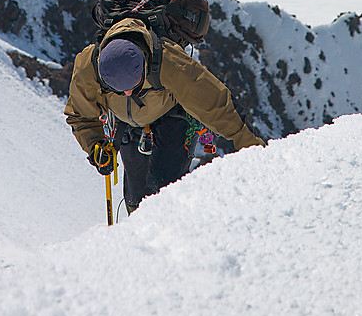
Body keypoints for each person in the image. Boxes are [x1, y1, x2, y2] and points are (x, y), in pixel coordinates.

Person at [64, 14, 266, 213]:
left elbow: (214, 105)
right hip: (127, 121)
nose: (127, 93)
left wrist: (250, 146)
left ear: (144, 64)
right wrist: (95, 146)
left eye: (133, 86)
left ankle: (174, 234)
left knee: (164, 191)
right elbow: (80, 116)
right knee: (136, 200)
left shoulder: (167, 60)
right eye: (119, 89)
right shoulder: (88, 68)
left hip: (173, 115)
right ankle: (139, 240)